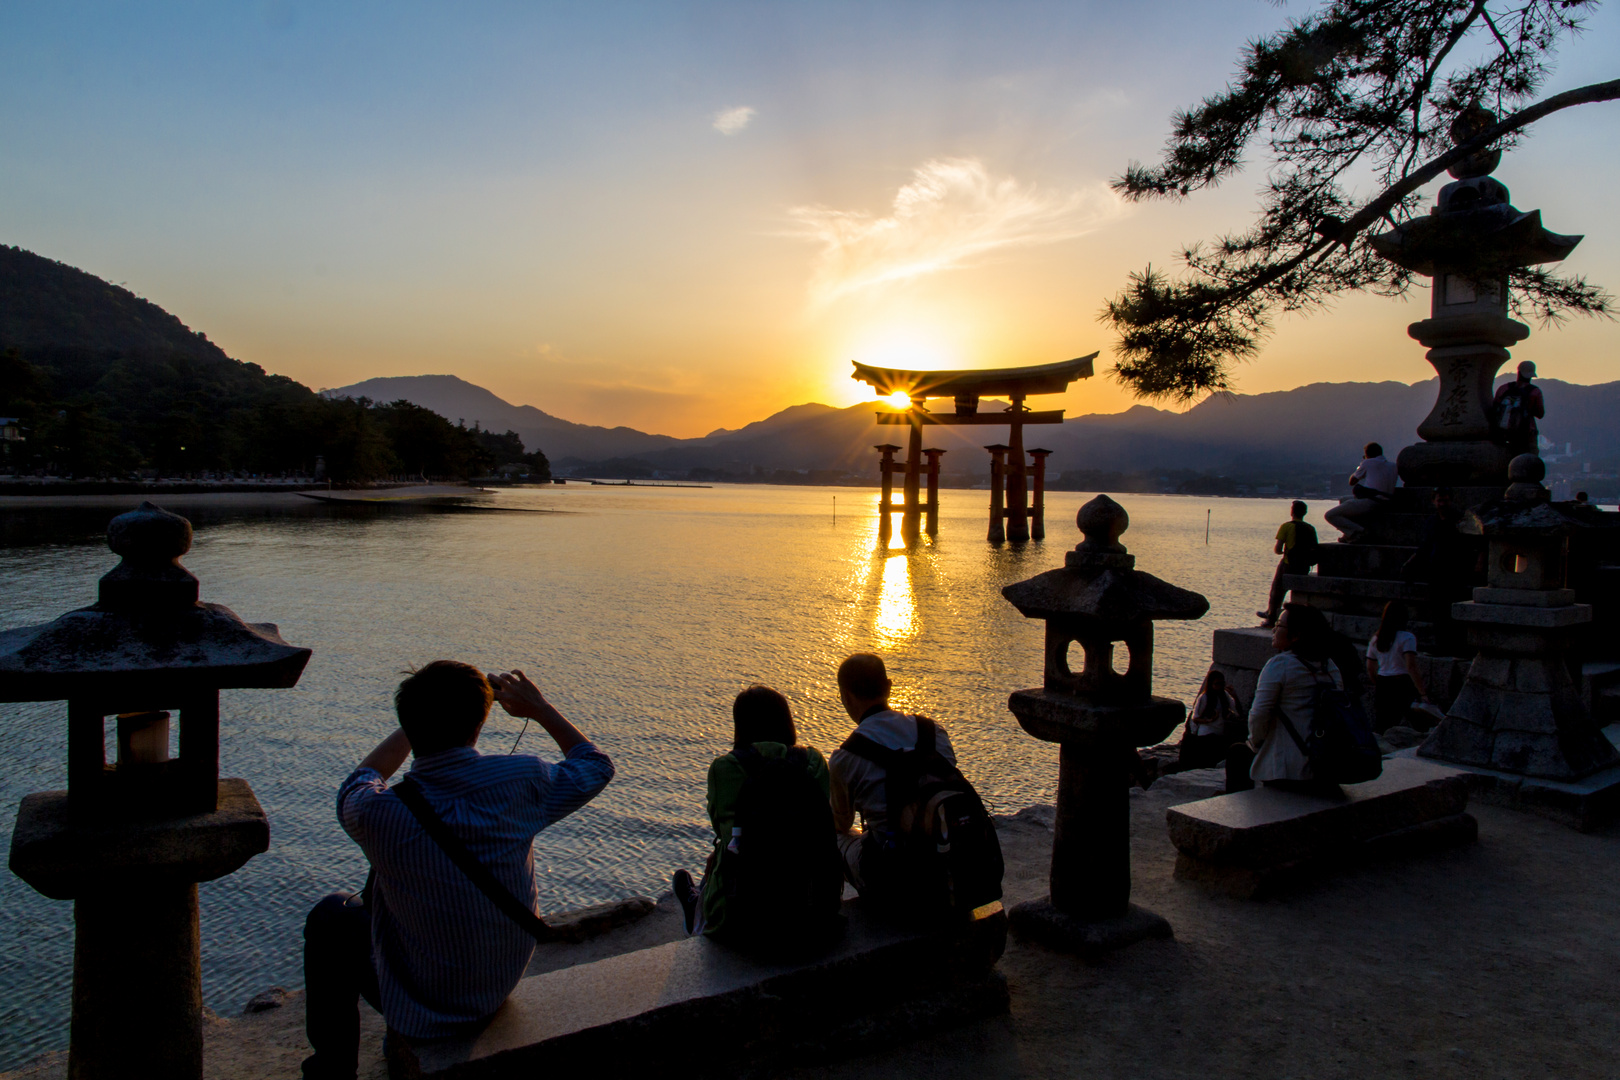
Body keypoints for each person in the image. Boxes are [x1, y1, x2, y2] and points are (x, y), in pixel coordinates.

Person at [302, 662, 613, 1080]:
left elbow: (360, 779)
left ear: (409, 725)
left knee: (331, 915)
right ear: (479, 723)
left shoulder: (376, 813)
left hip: (424, 1007)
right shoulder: (523, 779)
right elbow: (595, 764)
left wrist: (413, 724)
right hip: (496, 983)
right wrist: (538, 707)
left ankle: (332, 1071)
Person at [670, 685, 841, 945]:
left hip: (741, 918)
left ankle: (697, 910)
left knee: (724, 849)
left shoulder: (724, 768)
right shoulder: (814, 761)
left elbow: (721, 828)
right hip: (815, 904)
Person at [828, 653, 958, 902]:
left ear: (844, 696)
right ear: (888, 687)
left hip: (893, 882)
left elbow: (840, 824)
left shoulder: (846, 757)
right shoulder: (934, 732)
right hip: (951, 863)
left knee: (830, 836)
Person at [1225, 604, 1348, 795]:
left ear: (1296, 635)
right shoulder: (1330, 666)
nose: (1273, 629)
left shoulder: (1280, 665)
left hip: (1288, 770)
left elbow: (1259, 715)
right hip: (1326, 761)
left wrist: (1255, 743)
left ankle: (1239, 817)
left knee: (1237, 753)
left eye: (1279, 625)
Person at [1400, 487, 1476, 655]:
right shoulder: (1432, 522)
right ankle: (1442, 646)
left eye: (1445, 500)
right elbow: (1425, 547)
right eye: (1439, 500)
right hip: (1435, 571)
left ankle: (1458, 647)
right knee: (1438, 612)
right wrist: (1410, 563)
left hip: (1456, 572)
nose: (1442, 503)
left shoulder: (1460, 521)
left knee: (1454, 611)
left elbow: (1473, 544)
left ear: (1451, 501)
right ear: (1433, 502)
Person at [1365, 602, 1432, 733]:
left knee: (1383, 725)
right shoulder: (1407, 638)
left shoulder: (1375, 639)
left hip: (1383, 683)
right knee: (1419, 723)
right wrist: (1422, 692)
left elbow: (1370, 667)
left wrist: (1377, 682)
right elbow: (1411, 666)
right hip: (1402, 682)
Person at [1257, 500, 1318, 628]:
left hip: (1288, 564)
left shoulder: (1287, 526)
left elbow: (1277, 549)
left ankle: (1271, 618)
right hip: (1303, 567)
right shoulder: (1310, 528)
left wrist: (1283, 551)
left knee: (1276, 592)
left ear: (1292, 512)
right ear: (1305, 513)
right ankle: (1271, 612)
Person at [1324, 442, 1398, 542]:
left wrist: (1360, 466)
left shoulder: (1368, 463)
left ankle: (1359, 531)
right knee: (1344, 500)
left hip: (1370, 502)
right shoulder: (1393, 466)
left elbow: (1352, 481)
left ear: (1367, 454)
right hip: (1386, 502)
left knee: (1330, 515)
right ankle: (1348, 535)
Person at [1178, 668, 1242, 769]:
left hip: (1219, 733)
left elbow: (1237, 712)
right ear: (1211, 684)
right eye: (1217, 684)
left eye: (1222, 683)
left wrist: (1234, 695)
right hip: (1206, 734)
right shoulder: (1204, 698)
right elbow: (1195, 718)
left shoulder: (1224, 696)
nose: (1220, 686)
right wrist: (1209, 720)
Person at [1490, 360, 1545, 454]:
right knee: (1528, 462)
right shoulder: (1534, 392)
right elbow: (1540, 414)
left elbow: (1494, 409)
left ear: (1518, 372)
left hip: (1503, 434)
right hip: (1526, 435)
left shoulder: (1504, 388)